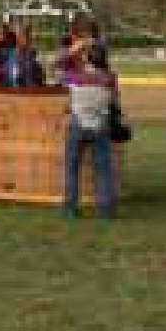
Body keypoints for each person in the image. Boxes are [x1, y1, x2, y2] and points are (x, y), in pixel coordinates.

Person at [62, 42, 121, 219]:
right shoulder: (110, 78)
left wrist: (72, 51)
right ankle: (106, 209)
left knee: (72, 168)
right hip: (100, 126)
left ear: (88, 58)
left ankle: (71, 208)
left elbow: (54, 68)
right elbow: (115, 100)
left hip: (78, 124)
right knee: (103, 170)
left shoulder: (76, 77)